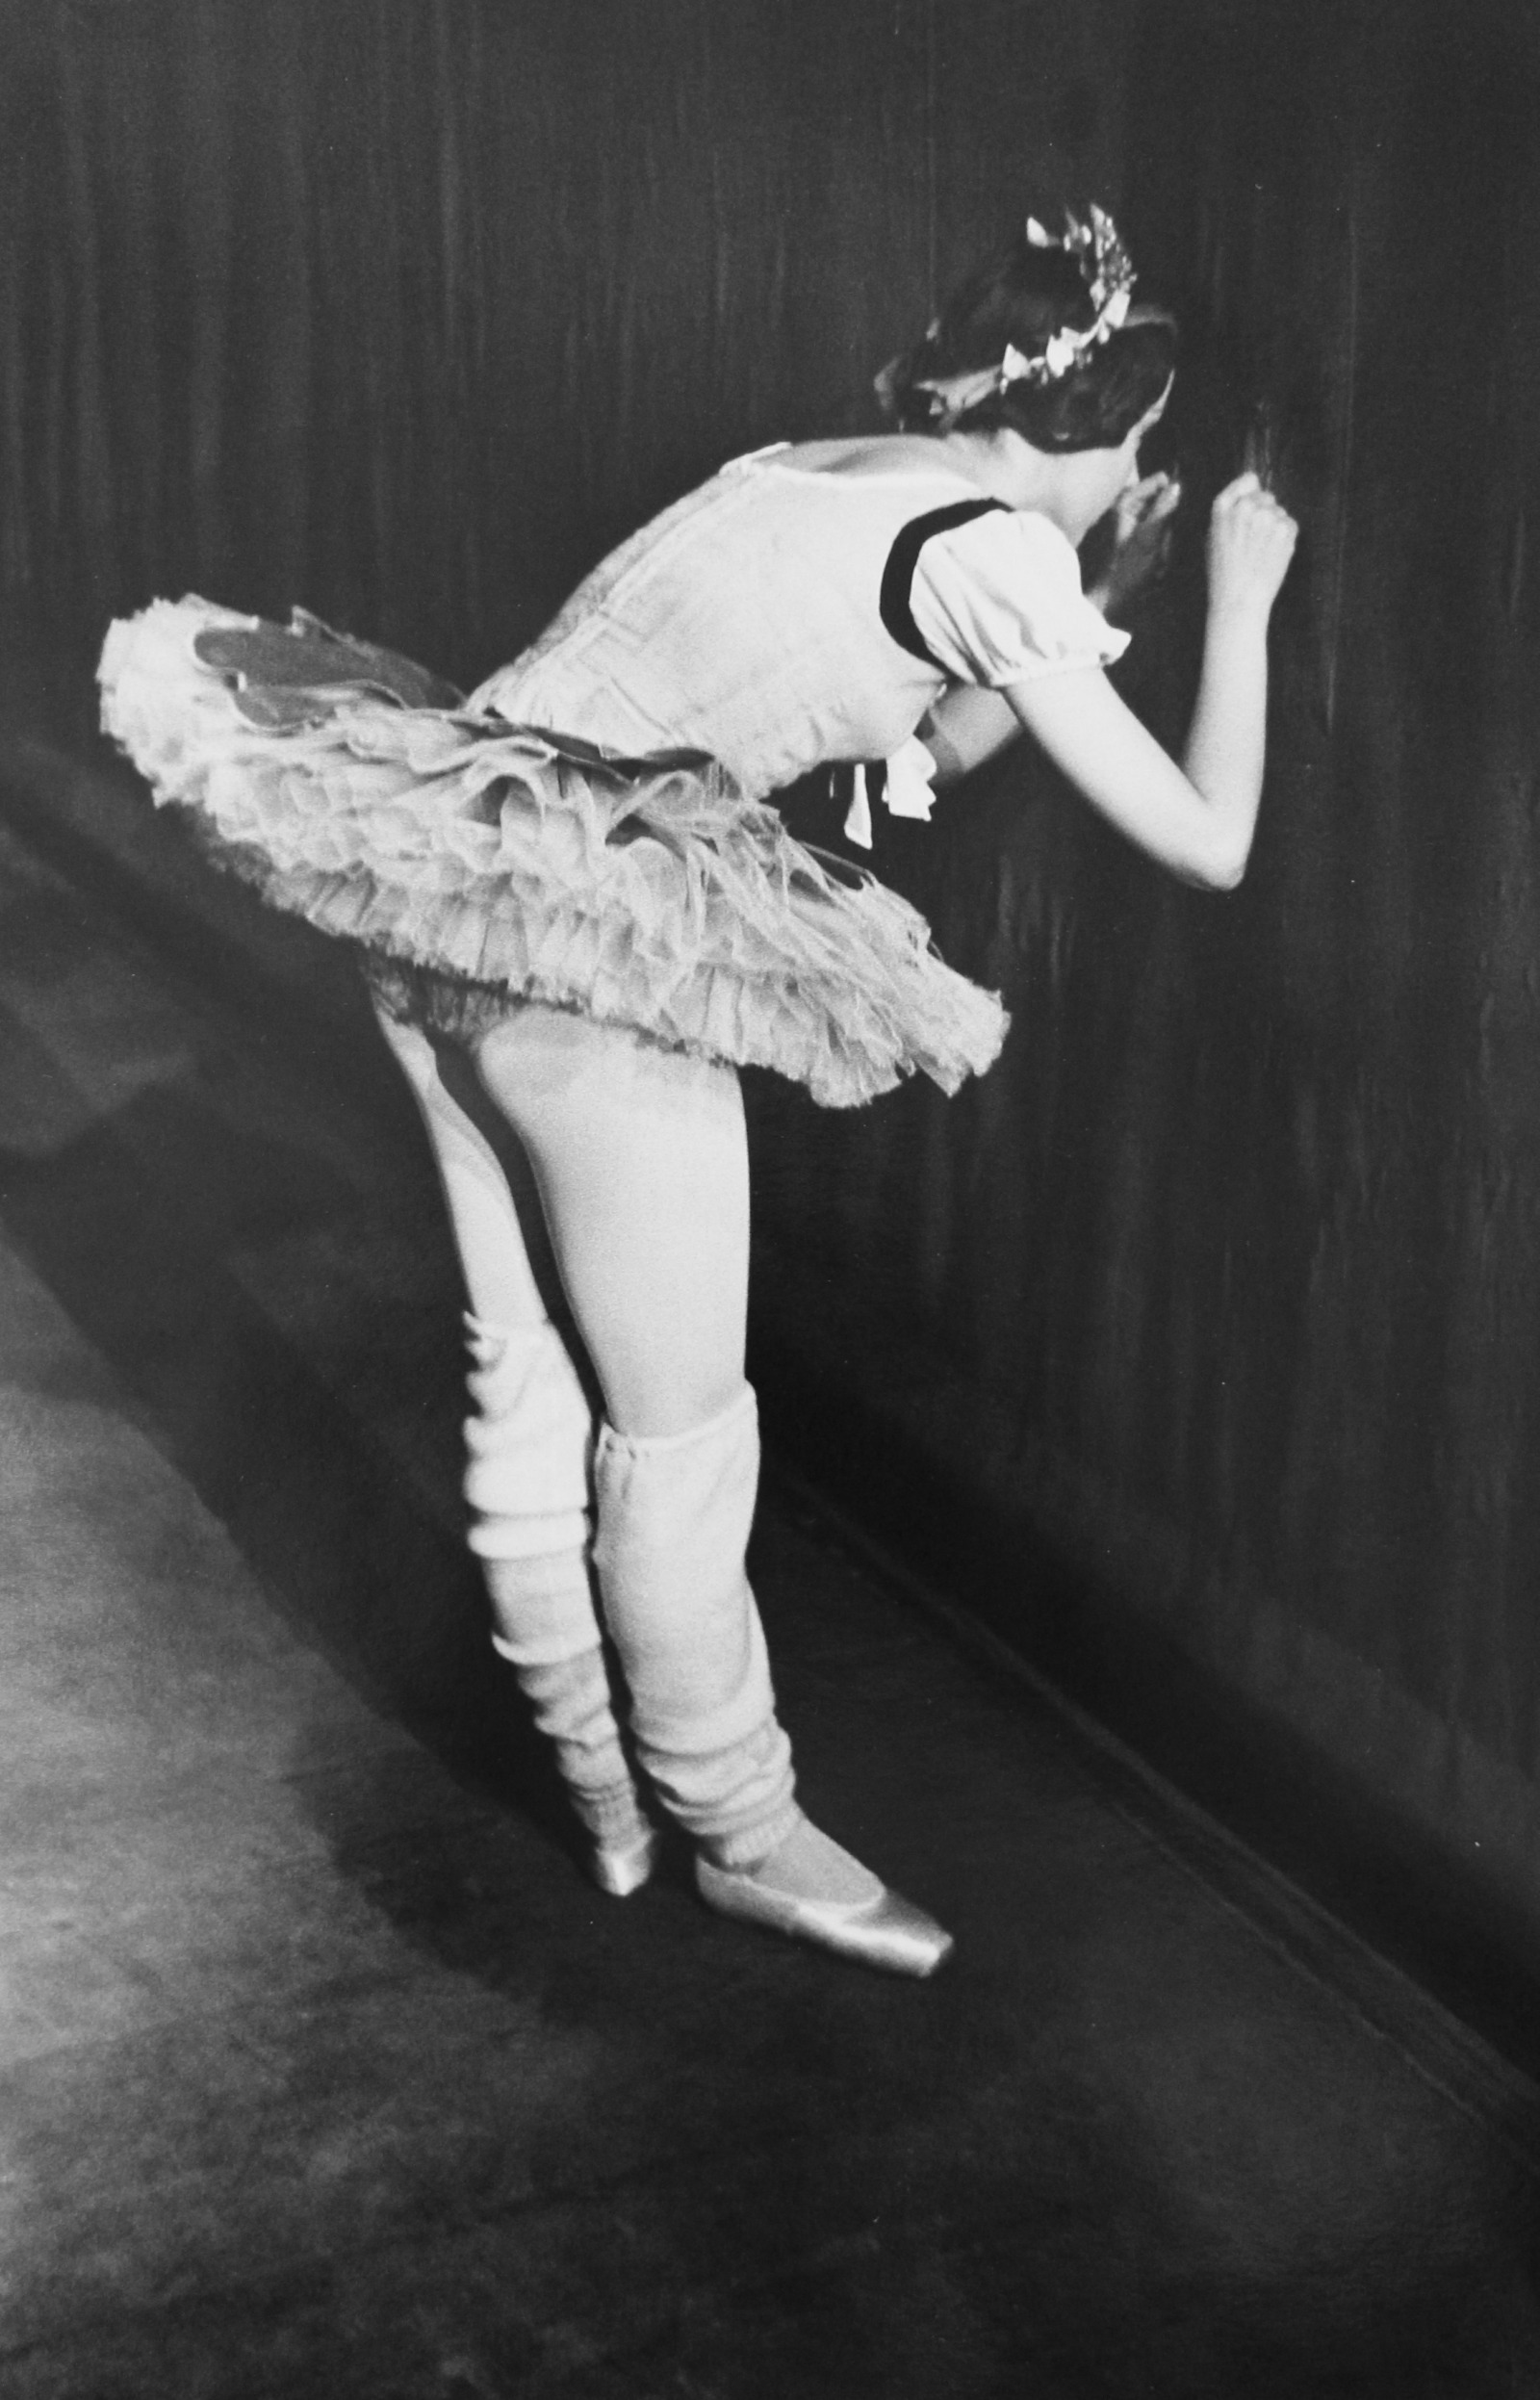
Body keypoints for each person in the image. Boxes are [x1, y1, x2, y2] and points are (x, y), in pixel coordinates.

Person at [98, 203, 1296, 1980]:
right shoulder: (1001, 557)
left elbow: (903, 739)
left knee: (523, 1367)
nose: (1142, 477)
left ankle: (603, 1803)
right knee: (675, 1436)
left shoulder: (827, 463)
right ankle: (737, 1831)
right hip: (596, 946)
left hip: (447, 865)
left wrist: (1104, 605)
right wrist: (1246, 605)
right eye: (1141, 444)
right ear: (1092, 428)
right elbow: (1208, 846)